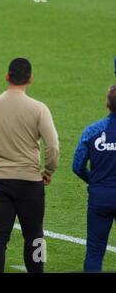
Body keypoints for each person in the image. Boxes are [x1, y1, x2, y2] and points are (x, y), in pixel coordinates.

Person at [0, 58, 59, 273]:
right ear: (30, 79)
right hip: (30, 182)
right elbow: (52, 146)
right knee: (35, 235)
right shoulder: (38, 109)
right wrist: (48, 171)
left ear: (7, 76)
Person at [72, 84, 116, 272]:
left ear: (107, 104)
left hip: (100, 198)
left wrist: (95, 182)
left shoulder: (92, 131)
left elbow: (77, 166)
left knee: (95, 252)